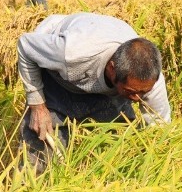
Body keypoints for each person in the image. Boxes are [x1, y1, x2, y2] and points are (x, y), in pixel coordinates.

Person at [17, 12, 171, 171]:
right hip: (59, 80)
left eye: (142, 92)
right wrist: (38, 106)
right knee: (40, 151)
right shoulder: (71, 53)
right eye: (131, 91)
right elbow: (25, 45)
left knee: (123, 149)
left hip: (107, 90)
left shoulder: (148, 79)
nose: (137, 98)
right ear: (112, 68)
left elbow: (158, 130)